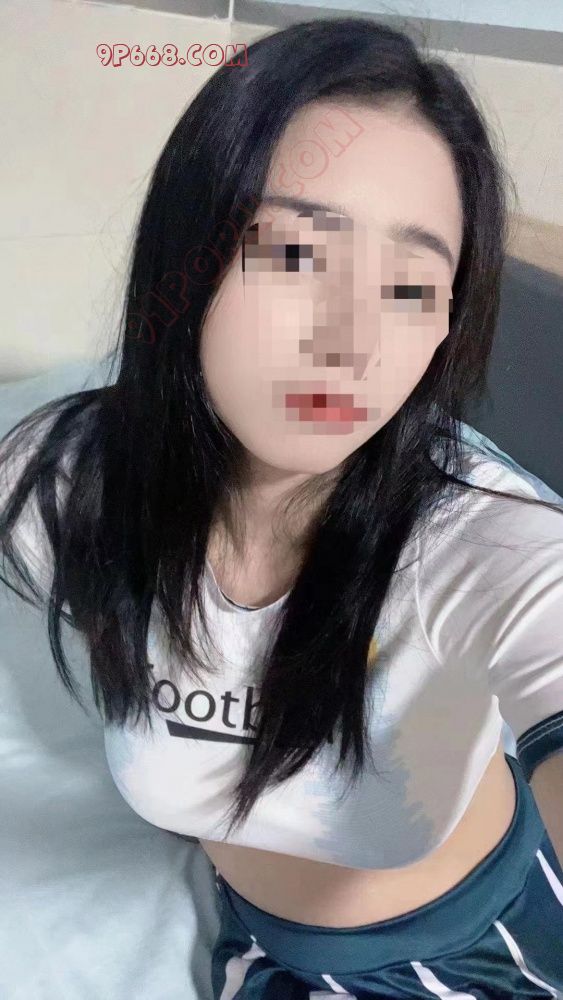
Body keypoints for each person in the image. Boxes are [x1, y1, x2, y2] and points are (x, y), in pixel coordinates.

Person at [1, 16, 563, 1000]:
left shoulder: (482, 543)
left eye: (408, 286)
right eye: (296, 254)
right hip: (258, 942)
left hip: (477, 949)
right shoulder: (64, 483)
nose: (349, 344)